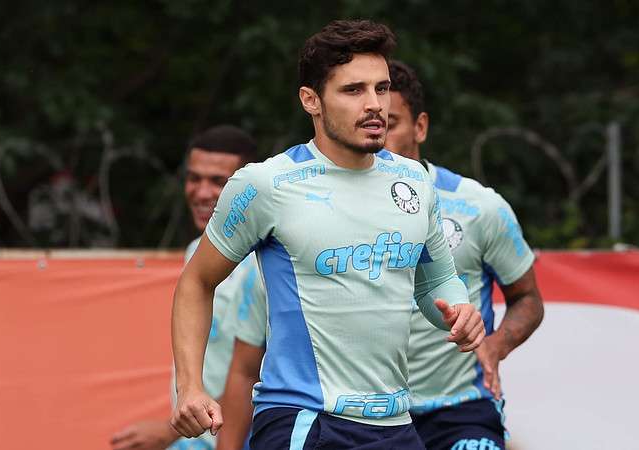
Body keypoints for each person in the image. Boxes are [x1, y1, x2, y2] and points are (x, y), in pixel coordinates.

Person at [169, 19, 485, 450]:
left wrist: (460, 311)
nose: (374, 104)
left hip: (396, 423)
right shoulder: (266, 185)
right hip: (305, 422)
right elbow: (196, 280)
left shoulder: (413, 182)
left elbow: (436, 283)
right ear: (310, 100)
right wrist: (190, 387)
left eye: (381, 88)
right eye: (353, 90)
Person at [386, 60, 544, 450]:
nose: (378, 136)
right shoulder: (330, 210)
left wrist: (495, 345)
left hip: (462, 410)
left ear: (419, 127)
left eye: (390, 124)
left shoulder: (478, 207)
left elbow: (527, 299)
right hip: (370, 412)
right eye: (369, 124)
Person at [110, 125, 265, 450]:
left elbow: (257, 374)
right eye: (194, 178)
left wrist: (170, 433)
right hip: (196, 440)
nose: (202, 192)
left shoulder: (265, 263)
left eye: (218, 182)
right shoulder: (198, 250)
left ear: (246, 187)